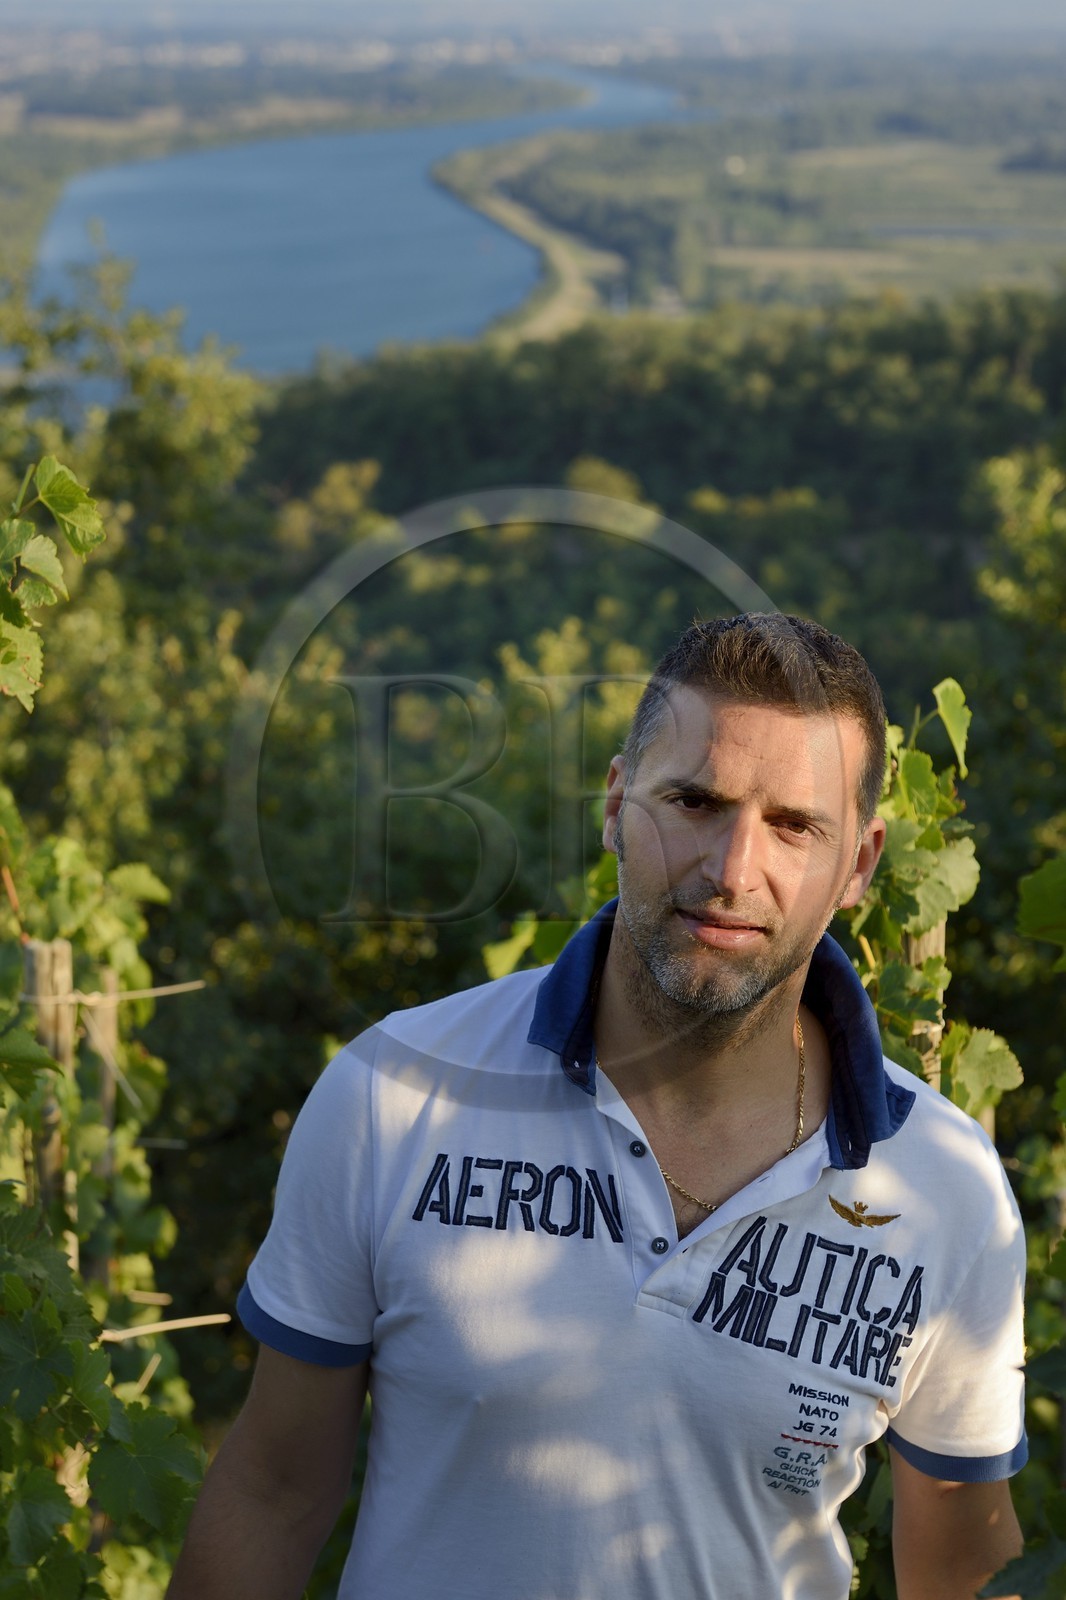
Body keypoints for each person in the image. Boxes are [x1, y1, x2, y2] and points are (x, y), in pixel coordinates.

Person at [168, 613, 1026, 1600]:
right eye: (694, 801)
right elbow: (273, 1489)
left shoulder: (944, 1192)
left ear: (861, 864)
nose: (732, 870)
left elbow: (961, 1572)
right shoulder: (397, 1090)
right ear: (616, 804)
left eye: (794, 825)